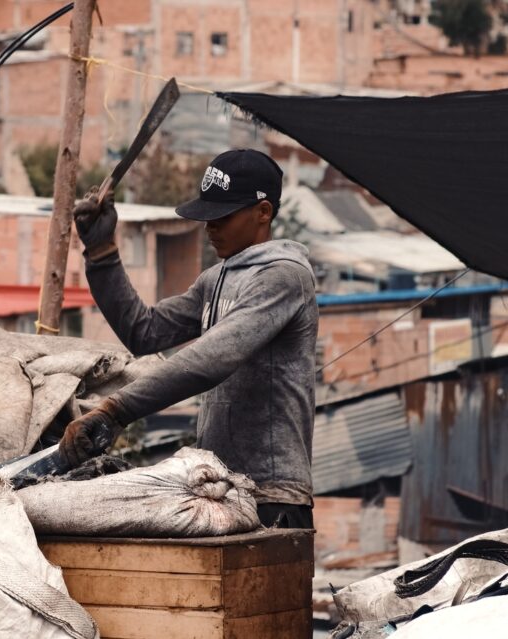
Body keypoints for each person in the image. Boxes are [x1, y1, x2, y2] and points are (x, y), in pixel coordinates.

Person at [61, 149, 318, 528]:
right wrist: (102, 254)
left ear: (263, 213)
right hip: (218, 488)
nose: (210, 227)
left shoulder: (284, 277)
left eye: (222, 217)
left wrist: (116, 410)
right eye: (207, 216)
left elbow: (211, 359)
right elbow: (144, 331)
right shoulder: (217, 279)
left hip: (272, 495)